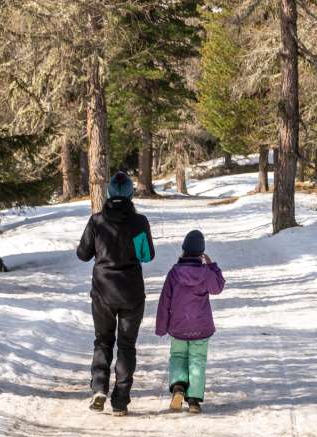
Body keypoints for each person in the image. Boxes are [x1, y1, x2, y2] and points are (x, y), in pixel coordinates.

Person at [76, 171, 155, 416]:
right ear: (130, 193)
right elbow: (146, 256)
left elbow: (83, 254)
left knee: (103, 341)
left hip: (102, 292)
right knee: (126, 346)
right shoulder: (139, 222)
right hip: (131, 292)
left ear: (109, 193)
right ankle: (120, 400)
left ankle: (99, 387)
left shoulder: (97, 221)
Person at [155, 229, 225, 414]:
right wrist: (212, 266)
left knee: (178, 356)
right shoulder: (206, 273)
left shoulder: (174, 273)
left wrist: (162, 326)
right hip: (200, 328)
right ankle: (193, 400)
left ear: (184, 249)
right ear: (201, 253)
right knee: (198, 360)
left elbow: (165, 300)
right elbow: (218, 287)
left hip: (178, 327)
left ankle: (178, 387)